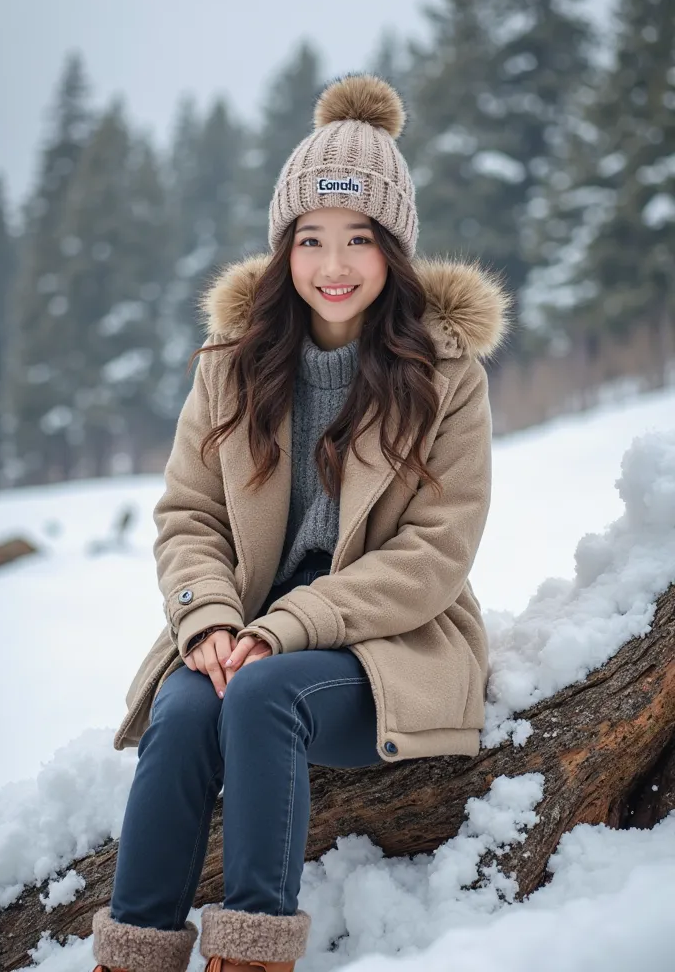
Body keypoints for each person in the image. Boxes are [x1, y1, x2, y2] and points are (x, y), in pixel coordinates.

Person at [90, 73, 510, 972]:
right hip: (244, 630)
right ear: (282, 248)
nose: (332, 265)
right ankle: (130, 955)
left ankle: (250, 956)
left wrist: (291, 626)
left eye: (359, 239)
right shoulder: (230, 368)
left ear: (394, 248)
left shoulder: (446, 376)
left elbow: (436, 552)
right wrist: (205, 617)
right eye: (310, 239)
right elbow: (188, 515)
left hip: (386, 645)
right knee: (182, 704)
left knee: (267, 694)